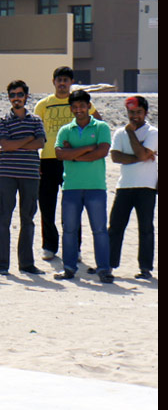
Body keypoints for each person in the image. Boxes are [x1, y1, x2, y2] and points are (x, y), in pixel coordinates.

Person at [34, 66, 101, 260]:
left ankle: (74, 248)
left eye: (66, 80)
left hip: (73, 161)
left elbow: (98, 123)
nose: (62, 83)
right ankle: (49, 246)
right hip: (47, 160)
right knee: (46, 205)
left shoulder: (79, 103)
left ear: (71, 82)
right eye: (59, 80)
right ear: (53, 82)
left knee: (72, 206)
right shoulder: (43, 105)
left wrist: (86, 148)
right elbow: (35, 131)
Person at [53, 90, 113, 283]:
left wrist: (73, 154)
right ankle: (69, 268)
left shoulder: (101, 127)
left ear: (89, 106)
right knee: (69, 229)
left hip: (96, 186)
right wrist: (88, 148)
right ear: (71, 108)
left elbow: (102, 152)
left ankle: (104, 269)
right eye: (75, 106)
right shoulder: (65, 130)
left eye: (82, 106)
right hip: (71, 186)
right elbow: (60, 154)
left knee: (99, 230)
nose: (79, 109)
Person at [0, 80, 46, 275]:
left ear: (26, 96)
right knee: (3, 218)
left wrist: (17, 144)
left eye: (20, 94)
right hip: (7, 174)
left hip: (30, 175)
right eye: (13, 95)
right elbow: (5, 145)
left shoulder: (36, 120)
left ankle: (26, 264)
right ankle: (2, 264)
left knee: (28, 218)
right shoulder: (3, 120)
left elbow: (40, 143)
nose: (16, 98)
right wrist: (28, 139)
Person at [108, 96, 158, 280]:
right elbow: (115, 157)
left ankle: (145, 268)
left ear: (145, 113)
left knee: (146, 228)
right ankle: (109, 264)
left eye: (138, 112)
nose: (134, 116)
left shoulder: (153, 132)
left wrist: (131, 134)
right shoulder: (120, 132)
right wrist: (141, 156)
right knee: (115, 226)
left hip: (147, 186)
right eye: (131, 112)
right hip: (124, 185)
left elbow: (141, 154)